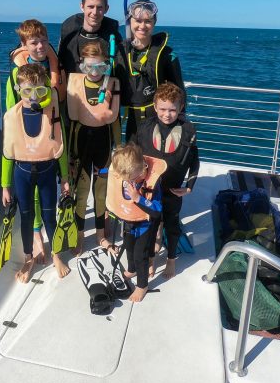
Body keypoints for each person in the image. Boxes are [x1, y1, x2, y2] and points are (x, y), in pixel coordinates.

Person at [1, 63, 71, 282]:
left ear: (47, 89)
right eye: (27, 91)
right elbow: (7, 153)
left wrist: (66, 178)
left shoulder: (53, 112)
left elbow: (61, 147)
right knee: (26, 216)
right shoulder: (11, 115)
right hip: (21, 172)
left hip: (47, 171)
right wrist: (5, 185)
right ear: (18, 90)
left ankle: (56, 255)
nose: (33, 97)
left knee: (51, 216)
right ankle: (29, 257)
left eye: (40, 91)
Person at [5, 20, 66, 263]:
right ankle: (37, 236)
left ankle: (51, 243)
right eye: (34, 42)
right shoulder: (16, 73)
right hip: (26, 137)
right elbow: (12, 107)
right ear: (24, 45)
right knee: (30, 203)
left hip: (51, 130)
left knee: (47, 198)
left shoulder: (53, 65)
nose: (40, 46)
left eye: (43, 41)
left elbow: (58, 99)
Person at [134, 83, 199, 279]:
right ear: (155, 107)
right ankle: (152, 259)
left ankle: (171, 260)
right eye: (162, 109)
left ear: (180, 108)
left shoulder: (188, 129)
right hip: (150, 190)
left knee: (172, 226)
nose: (167, 114)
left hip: (173, 191)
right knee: (151, 226)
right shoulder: (145, 128)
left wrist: (189, 187)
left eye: (172, 109)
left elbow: (194, 160)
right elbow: (134, 155)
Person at [66, 41, 121, 254]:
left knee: (101, 191)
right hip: (80, 141)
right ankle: (79, 234)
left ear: (106, 65)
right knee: (81, 191)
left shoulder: (112, 84)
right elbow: (72, 118)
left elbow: (114, 119)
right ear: (81, 65)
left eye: (100, 67)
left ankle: (100, 235)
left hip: (103, 142)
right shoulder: (74, 82)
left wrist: (119, 146)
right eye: (89, 67)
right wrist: (69, 154)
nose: (94, 72)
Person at [106, 143, 164, 302]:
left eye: (134, 177)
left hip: (144, 226)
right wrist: (102, 172)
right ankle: (132, 270)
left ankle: (142, 285)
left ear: (143, 167)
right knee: (129, 248)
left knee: (140, 256)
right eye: (127, 178)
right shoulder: (124, 176)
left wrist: (138, 198)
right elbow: (113, 178)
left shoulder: (152, 183)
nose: (131, 181)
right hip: (128, 223)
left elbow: (157, 210)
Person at [122, 0, 185, 140]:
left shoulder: (167, 55)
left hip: (160, 121)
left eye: (148, 21)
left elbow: (179, 90)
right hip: (132, 123)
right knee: (133, 160)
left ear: (154, 23)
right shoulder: (121, 52)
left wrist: (182, 122)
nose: (142, 26)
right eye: (138, 20)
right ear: (129, 22)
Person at [58, 0, 123, 76]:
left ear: (106, 8)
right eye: (91, 6)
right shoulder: (69, 34)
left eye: (99, 7)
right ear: (82, 6)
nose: (95, 12)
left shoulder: (113, 39)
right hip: (72, 88)